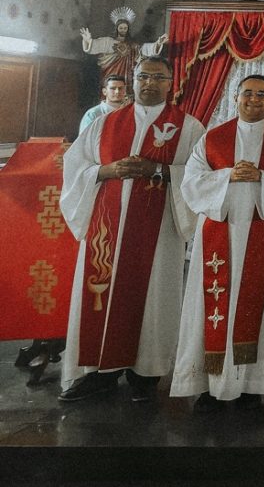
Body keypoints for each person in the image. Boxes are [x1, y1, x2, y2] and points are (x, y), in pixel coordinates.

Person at [57, 57, 205, 403]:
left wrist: (159, 169)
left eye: (158, 77)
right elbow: (75, 165)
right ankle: (98, 374)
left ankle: (145, 374)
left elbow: (199, 176)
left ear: (171, 82)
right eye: (143, 76)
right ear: (133, 79)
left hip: (158, 233)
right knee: (100, 295)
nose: (149, 83)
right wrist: (105, 171)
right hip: (105, 230)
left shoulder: (189, 127)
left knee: (153, 296)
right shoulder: (105, 123)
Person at [171, 75, 264, 412]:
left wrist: (263, 177)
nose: (254, 99)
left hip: (263, 229)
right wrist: (227, 176)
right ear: (236, 97)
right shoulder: (213, 137)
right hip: (219, 231)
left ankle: (254, 387)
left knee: (261, 304)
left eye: (262, 94)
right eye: (247, 93)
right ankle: (209, 387)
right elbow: (191, 183)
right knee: (209, 306)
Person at [79, 6, 167, 86]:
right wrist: (88, 40)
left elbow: (144, 49)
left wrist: (158, 44)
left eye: (125, 28)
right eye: (121, 28)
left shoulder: (132, 44)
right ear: (117, 28)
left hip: (127, 77)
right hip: (110, 74)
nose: (123, 30)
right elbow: (93, 46)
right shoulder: (109, 42)